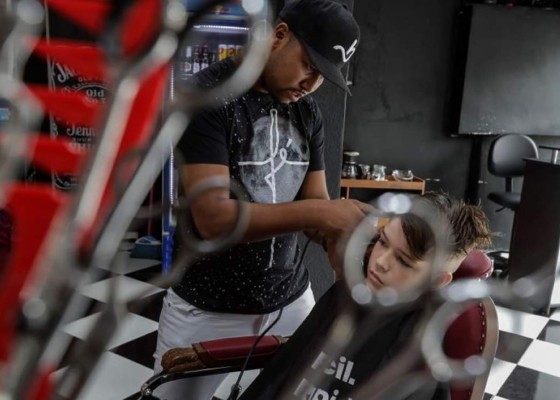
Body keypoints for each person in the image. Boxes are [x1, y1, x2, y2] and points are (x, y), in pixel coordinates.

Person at [153, 1, 369, 399]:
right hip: (207, 306)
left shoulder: (308, 114)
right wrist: (324, 212)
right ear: (279, 35)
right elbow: (214, 218)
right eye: (308, 65)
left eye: (321, 76)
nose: (311, 84)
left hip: (290, 301)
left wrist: (351, 250)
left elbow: (316, 208)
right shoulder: (208, 96)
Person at [236, 191, 494, 400]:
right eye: (382, 241)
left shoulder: (418, 354)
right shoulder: (344, 295)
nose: (380, 262)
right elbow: (282, 375)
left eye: (403, 261)